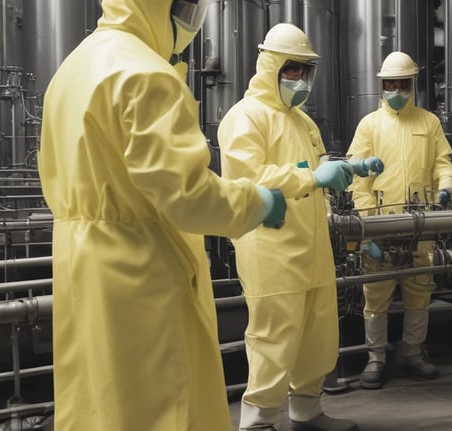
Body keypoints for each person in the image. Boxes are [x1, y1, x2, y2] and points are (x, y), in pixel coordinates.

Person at [37, 1, 287, 430]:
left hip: (80, 268)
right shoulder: (145, 74)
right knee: (160, 408)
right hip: (140, 275)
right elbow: (188, 195)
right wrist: (259, 202)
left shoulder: (71, 70)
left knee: (97, 406)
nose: (192, 20)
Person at [217, 23, 379, 431]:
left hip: (313, 244)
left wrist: (347, 169)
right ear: (271, 66)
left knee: (317, 336)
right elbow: (247, 178)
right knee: (274, 338)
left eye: (306, 70)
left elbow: (318, 168)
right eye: (292, 69)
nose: (300, 79)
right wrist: (311, 177)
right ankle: (258, 422)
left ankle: (306, 410)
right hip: (270, 246)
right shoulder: (246, 117)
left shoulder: (304, 122)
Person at [346, 51, 452, 390]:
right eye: (391, 84)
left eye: (402, 84)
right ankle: (376, 357)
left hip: (421, 224)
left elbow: (443, 163)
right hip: (381, 224)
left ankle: (412, 352)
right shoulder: (369, 124)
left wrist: (445, 187)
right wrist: (368, 228)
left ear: (412, 84)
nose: (396, 90)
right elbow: (358, 181)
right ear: (382, 86)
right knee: (375, 293)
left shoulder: (429, 122)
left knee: (419, 290)